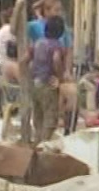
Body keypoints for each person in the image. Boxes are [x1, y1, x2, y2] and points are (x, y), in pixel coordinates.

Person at [30, 15, 70, 143]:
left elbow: (28, 59)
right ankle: (44, 143)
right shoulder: (56, 45)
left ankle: (37, 141)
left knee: (38, 115)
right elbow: (56, 60)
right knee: (50, 116)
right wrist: (59, 77)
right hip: (47, 83)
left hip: (35, 83)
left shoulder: (38, 43)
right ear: (60, 31)